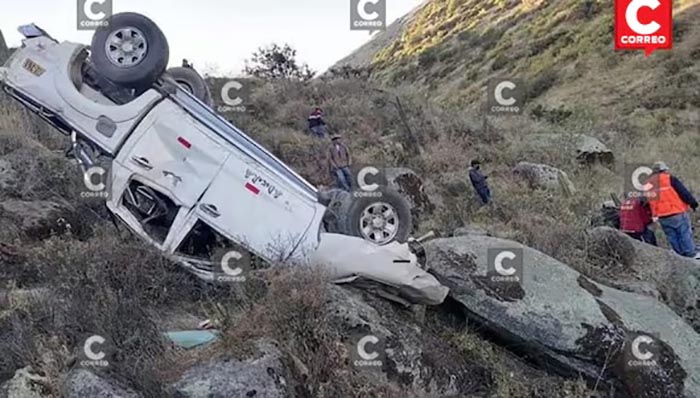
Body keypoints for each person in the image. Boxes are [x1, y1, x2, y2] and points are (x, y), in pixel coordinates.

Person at [646, 161, 698, 257]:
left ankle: (680, 255)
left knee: (671, 236)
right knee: (684, 233)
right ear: (664, 170)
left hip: (661, 215)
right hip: (676, 211)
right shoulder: (669, 178)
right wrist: (693, 203)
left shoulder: (649, 184)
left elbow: (650, 201)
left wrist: (654, 215)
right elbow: (683, 192)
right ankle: (690, 254)